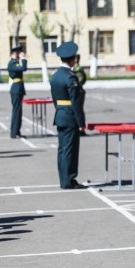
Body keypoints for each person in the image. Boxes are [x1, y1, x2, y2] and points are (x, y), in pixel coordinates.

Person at [49, 42, 86, 189]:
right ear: (73, 59)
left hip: (60, 115)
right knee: (70, 149)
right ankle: (69, 180)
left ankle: (63, 179)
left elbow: (55, 99)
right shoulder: (71, 78)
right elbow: (76, 102)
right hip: (70, 117)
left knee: (62, 149)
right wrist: (81, 122)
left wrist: (60, 111)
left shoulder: (55, 76)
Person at [8, 45, 27, 139]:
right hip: (16, 89)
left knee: (18, 111)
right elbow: (23, 68)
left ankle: (17, 131)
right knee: (16, 111)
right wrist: (23, 59)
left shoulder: (15, 62)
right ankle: (14, 132)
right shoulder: (12, 63)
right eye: (19, 53)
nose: (21, 54)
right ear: (15, 53)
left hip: (18, 88)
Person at [72, 54, 87, 135]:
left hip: (79, 92)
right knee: (76, 110)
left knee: (79, 110)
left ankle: (81, 130)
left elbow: (81, 80)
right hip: (75, 92)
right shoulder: (74, 68)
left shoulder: (78, 69)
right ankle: (77, 128)